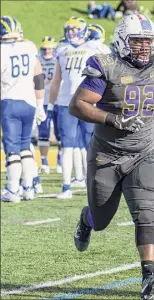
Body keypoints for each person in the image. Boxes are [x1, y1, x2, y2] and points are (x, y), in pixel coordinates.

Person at [69, 14, 154, 299]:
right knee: (102, 219)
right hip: (107, 156)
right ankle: (86, 221)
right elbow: (78, 105)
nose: (145, 47)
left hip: (143, 153)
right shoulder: (105, 65)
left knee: (146, 215)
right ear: (123, 40)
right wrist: (113, 119)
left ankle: (148, 277)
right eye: (138, 41)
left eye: (148, 41)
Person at [48, 16, 99, 199]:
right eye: (68, 29)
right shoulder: (62, 50)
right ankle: (66, 186)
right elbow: (56, 81)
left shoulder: (94, 48)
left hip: (87, 102)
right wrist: (49, 104)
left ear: (84, 30)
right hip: (65, 103)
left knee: (90, 143)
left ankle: (91, 182)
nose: (70, 33)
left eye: (74, 29)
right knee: (67, 145)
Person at [1, 16, 45, 202]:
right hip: (29, 102)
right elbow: (39, 75)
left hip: (9, 102)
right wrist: (40, 104)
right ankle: (28, 188)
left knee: (12, 149)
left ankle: (12, 190)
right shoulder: (29, 46)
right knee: (25, 146)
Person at [38, 36, 62, 174]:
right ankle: (44, 162)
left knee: (60, 133)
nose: (47, 51)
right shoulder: (37, 60)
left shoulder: (58, 60)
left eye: (49, 48)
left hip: (58, 100)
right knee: (43, 133)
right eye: (44, 48)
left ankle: (59, 160)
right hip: (43, 101)